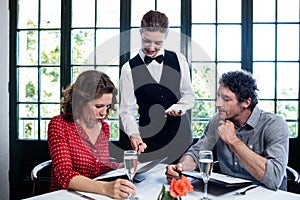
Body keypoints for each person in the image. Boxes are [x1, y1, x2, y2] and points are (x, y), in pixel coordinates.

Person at [165, 70, 289, 191]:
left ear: (246, 102)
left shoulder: (274, 124)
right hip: (229, 195)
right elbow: (197, 153)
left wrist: (233, 140)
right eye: (218, 96)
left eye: (226, 99)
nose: (218, 104)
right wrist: (181, 168)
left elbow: (274, 179)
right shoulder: (216, 121)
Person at [119, 10, 195, 163]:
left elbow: (189, 96)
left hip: (181, 137)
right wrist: (134, 134)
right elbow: (127, 110)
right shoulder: (128, 68)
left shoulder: (179, 59)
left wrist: (179, 107)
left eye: (158, 43)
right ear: (140, 33)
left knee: (181, 184)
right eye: (147, 41)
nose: (152, 48)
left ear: (165, 37)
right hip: (149, 140)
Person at [47, 70, 136, 199]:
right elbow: (64, 174)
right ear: (80, 101)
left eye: (107, 106)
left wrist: (123, 166)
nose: (104, 113)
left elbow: (99, 166)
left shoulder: (104, 128)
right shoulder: (60, 124)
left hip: (94, 196)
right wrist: (106, 188)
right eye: (99, 106)